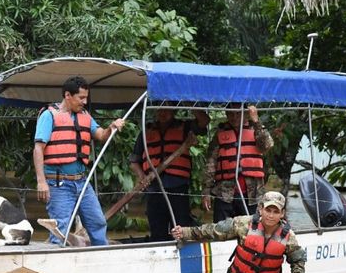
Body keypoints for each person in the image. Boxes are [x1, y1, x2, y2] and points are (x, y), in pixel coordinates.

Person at [33, 76, 125, 246]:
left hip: (82, 181)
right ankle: (58, 265)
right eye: (81, 97)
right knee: (60, 229)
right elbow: (38, 148)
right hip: (58, 183)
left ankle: (101, 257)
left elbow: (101, 135)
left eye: (86, 97)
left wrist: (112, 127)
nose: (85, 101)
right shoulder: (49, 115)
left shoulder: (85, 116)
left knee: (97, 221)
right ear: (68, 95)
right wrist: (41, 182)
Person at [170, 191, 304, 273]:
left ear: (282, 213)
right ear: (260, 208)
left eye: (276, 211)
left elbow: (298, 259)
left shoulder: (288, 236)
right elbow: (213, 231)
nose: (271, 215)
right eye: (268, 210)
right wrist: (186, 232)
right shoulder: (243, 224)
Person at [129, 107, 209, 241]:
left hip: (178, 187)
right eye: (160, 110)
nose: (163, 113)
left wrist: (187, 101)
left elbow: (204, 120)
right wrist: (142, 177)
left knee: (181, 228)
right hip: (154, 188)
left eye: (167, 110)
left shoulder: (185, 127)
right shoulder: (146, 131)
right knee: (157, 229)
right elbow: (134, 161)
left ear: (174, 111)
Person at [203, 104, 273, 221]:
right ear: (226, 113)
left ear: (245, 113)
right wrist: (206, 191)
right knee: (221, 231)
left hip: (252, 194)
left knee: (252, 231)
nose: (234, 117)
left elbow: (267, 145)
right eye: (230, 113)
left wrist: (256, 122)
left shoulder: (256, 129)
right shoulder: (220, 133)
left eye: (238, 113)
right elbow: (211, 163)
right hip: (224, 194)